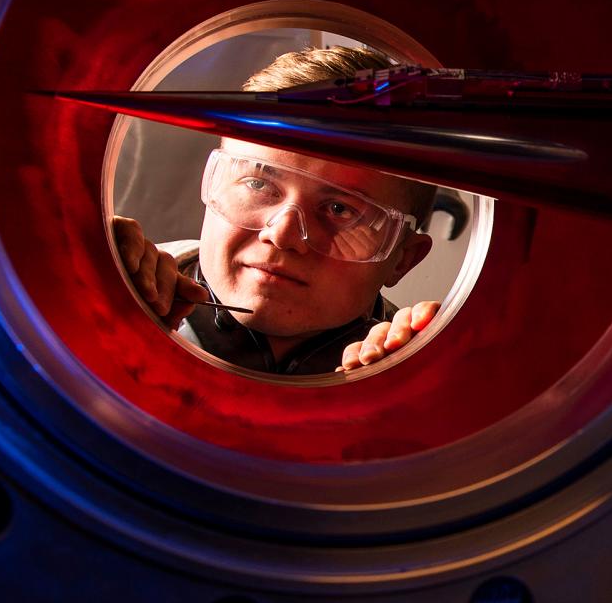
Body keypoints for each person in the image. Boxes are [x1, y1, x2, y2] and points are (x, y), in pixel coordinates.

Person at [112, 46, 441, 374]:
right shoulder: (114, 285)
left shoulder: (417, 373)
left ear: (403, 259)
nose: (282, 235)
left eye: (340, 209)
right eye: (257, 184)